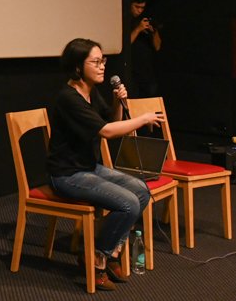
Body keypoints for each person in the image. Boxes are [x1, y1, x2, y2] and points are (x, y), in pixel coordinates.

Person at [47, 38, 164, 290]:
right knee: (128, 203)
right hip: (67, 175)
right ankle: (98, 258)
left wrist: (117, 103)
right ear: (78, 67)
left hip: (89, 167)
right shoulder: (69, 98)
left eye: (103, 61)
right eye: (96, 62)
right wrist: (142, 118)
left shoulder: (90, 91)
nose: (102, 67)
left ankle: (108, 253)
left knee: (142, 190)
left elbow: (112, 122)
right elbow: (108, 132)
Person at [125, 0, 163, 97]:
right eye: (137, 7)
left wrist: (154, 31)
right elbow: (125, 46)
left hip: (148, 71)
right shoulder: (125, 20)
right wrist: (138, 29)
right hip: (132, 72)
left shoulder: (143, 19)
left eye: (142, 8)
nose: (140, 11)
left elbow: (157, 46)